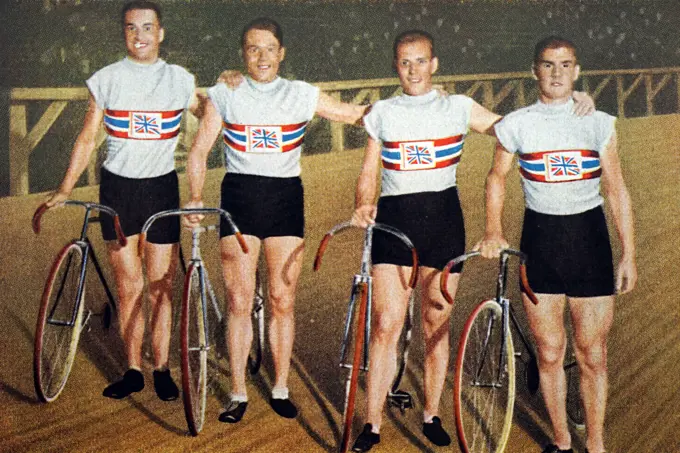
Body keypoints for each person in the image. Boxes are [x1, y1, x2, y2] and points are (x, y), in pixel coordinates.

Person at [349, 30, 595, 452]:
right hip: (393, 224)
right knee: (386, 324)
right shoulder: (384, 112)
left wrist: (573, 102)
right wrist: (362, 203)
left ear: (435, 63)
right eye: (405, 62)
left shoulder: (458, 107)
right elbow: (370, 169)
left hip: (443, 223)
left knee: (435, 324)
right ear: (396, 65)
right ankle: (371, 424)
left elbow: (513, 128)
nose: (413, 70)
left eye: (421, 61)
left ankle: (431, 413)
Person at [183, 17, 368, 424]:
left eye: (269, 48)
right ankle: (237, 392)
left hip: (285, 199)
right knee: (239, 300)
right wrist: (195, 198)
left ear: (282, 53)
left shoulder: (301, 94)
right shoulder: (225, 92)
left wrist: (413, 102)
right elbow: (198, 152)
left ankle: (280, 386)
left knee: (282, 300)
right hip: (239, 198)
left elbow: (356, 115)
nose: (262, 57)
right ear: (242, 54)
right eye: (253, 49)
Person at [476, 36, 636, 453]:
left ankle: (596, 444)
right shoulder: (517, 123)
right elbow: (496, 178)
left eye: (566, 65)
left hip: (590, 243)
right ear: (535, 71)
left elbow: (616, 188)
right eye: (548, 65)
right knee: (549, 354)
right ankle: (562, 442)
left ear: (577, 71)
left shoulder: (598, 122)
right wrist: (493, 229)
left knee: (593, 355)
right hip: (541, 243)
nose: (557, 73)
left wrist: (629, 254)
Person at [45, 0, 202, 401]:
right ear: (124, 33)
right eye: (132, 28)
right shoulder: (106, 78)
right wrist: (65, 187)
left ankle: (162, 367)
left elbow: (216, 110)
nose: (140, 36)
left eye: (148, 27)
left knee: (161, 285)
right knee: (128, 284)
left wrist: (233, 80)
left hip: (160, 188)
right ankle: (133, 369)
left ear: (161, 33)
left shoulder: (180, 79)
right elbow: (86, 138)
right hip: (117, 190)